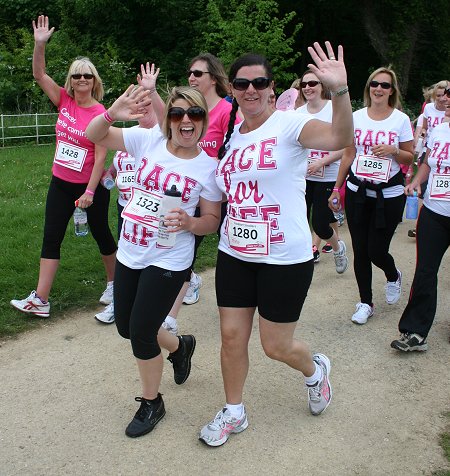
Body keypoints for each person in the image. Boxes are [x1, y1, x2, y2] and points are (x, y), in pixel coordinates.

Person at [198, 42, 353, 447]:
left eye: (259, 82)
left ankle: (315, 371)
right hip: (235, 251)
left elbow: (340, 135)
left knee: (275, 346)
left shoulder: (289, 125)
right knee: (232, 337)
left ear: (272, 88)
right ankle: (234, 411)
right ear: (231, 88)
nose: (251, 90)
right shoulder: (229, 138)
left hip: (284, 256)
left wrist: (339, 90)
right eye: (242, 83)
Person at [86, 85, 222, 438]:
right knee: (126, 326)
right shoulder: (147, 140)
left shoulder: (209, 168)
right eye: (177, 113)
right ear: (169, 119)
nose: (185, 120)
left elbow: (212, 219)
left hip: (169, 258)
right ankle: (180, 346)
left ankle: (152, 402)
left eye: (194, 114)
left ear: (204, 120)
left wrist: (191, 223)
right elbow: (94, 134)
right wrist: (111, 112)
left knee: (141, 332)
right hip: (132, 251)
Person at [10, 15, 116, 318]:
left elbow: (100, 157)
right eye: (77, 75)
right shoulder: (64, 101)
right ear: (70, 80)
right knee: (51, 236)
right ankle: (41, 299)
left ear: (95, 81)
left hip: (88, 187)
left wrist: (91, 192)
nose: (82, 79)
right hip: (60, 182)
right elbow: (39, 74)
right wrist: (39, 44)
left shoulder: (101, 113)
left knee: (101, 234)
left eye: (87, 76)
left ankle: (114, 283)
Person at [137, 55, 241, 335]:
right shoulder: (188, 108)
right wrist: (152, 91)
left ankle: (235, 298)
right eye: (189, 72)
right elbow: (166, 120)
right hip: (185, 189)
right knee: (180, 246)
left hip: (216, 191)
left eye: (197, 73)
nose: (191, 77)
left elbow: (242, 141)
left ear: (214, 77)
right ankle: (171, 312)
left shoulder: (228, 110)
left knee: (217, 245)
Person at [329, 66, 414, 325]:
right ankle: (365, 302)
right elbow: (348, 153)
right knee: (361, 250)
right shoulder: (356, 117)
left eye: (385, 85)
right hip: (358, 191)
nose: (379, 88)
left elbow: (411, 156)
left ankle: (392, 275)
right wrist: (336, 188)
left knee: (377, 250)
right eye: (374, 84)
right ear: (369, 88)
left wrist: (393, 150)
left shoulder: (400, 119)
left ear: (392, 91)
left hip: (388, 195)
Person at [391, 86, 450, 352]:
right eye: (445, 95)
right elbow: (428, 161)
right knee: (425, 271)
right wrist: (415, 181)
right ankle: (415, 331)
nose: (446, 99)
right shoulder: (439, 131)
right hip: (435, 212)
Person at [94, 101, 158, 324]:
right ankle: (120, 303)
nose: (143, 111)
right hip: (126, 207)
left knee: (154, 255)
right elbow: (115, 166)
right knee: (126, 253)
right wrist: (107, 177)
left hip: (152, 211)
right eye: (140, 107)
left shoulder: (161, 140)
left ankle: (186, 279)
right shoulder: (129, 135)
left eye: (148, 107)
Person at [297, 69, 347, 268]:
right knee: (300, 219)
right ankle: (301, 257)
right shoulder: (297, 114)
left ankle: (338, 248)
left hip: (328, 176)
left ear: (322, 86)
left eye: (313, 84)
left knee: (319, 222)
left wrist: (322, 161)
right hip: (303, 175)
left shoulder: (333, 108)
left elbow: (346, 146)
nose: (308, 88)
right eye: (304, 84)